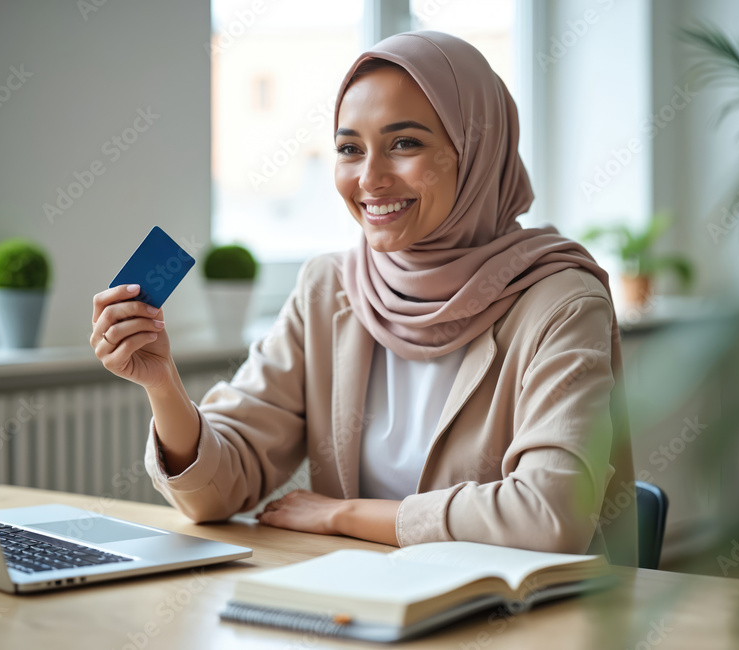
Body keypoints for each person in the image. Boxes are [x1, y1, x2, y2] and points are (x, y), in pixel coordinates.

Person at [91, 31, 637, 564]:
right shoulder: (329, 289)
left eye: (405, 143)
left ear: (476, 151)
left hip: (519, 620)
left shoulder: (561, 301)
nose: (370, 179)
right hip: (364, 612)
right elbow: (214, 493)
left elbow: (550, 515)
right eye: (350, 148)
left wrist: (344, 515)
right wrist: (163, 386)